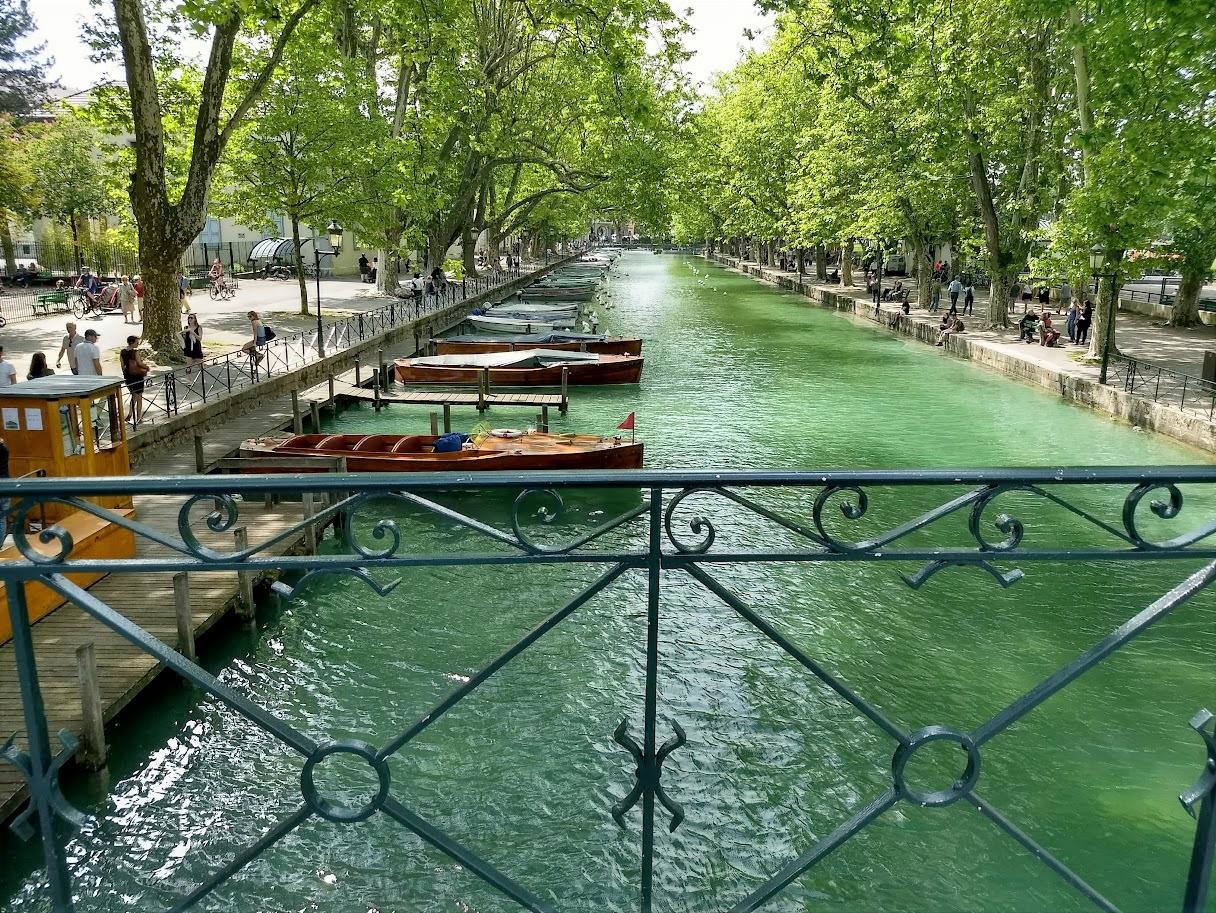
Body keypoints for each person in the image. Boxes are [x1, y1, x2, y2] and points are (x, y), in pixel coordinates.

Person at [120, 336, 148, 424]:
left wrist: (126, 374)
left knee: (134, 395)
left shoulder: (122, 351)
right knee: (139, 396)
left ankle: (130, 414)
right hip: (137, 376)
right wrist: (146, 367)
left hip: (128, 376)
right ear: (131, 343)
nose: (138, 344)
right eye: (136, 342)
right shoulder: (135, 351)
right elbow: (139, 363)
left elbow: (122, 365)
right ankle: (138, 417)